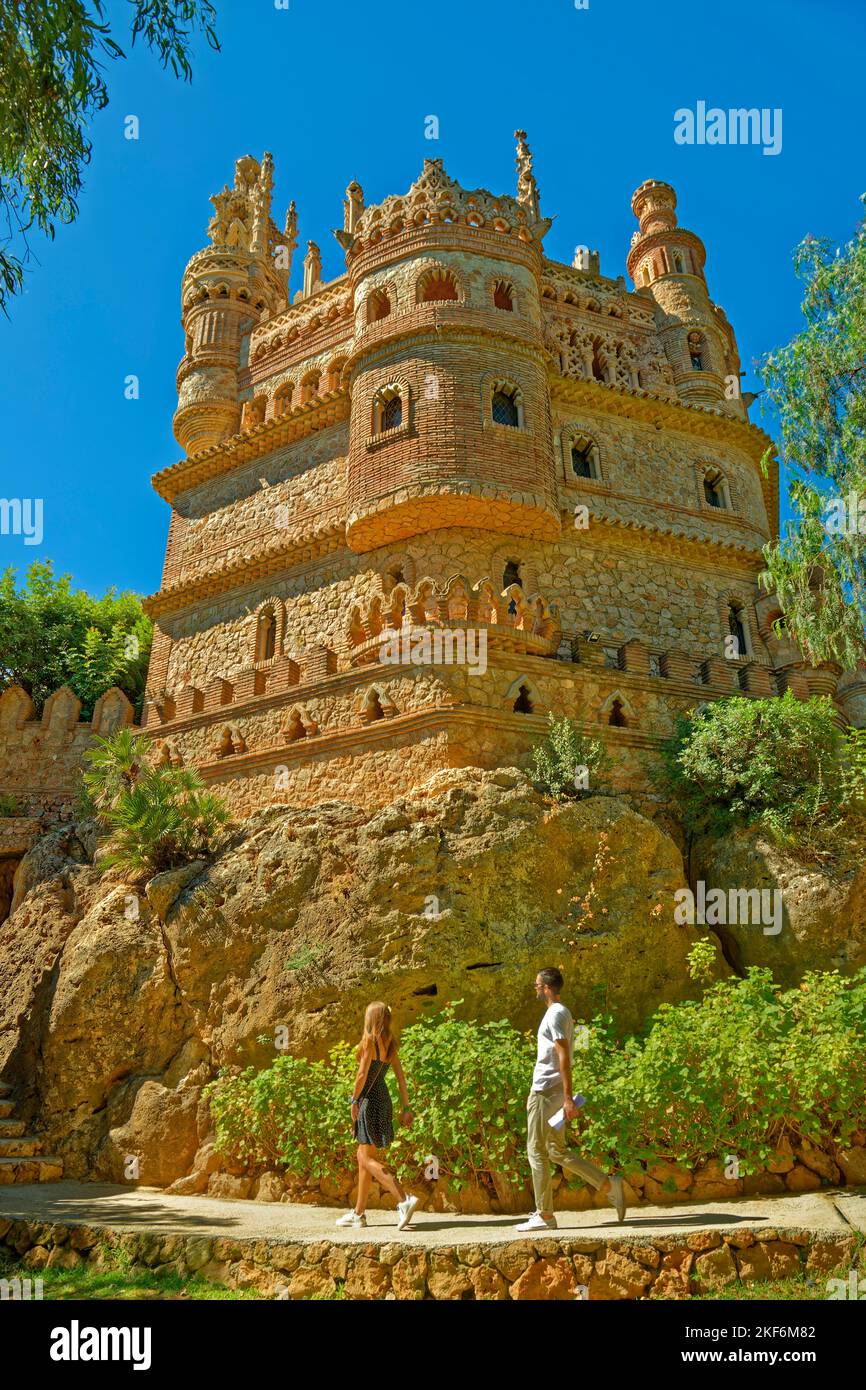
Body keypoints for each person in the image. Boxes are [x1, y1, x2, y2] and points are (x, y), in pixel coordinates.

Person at [516, 966, 626, 1232]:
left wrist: (567, 1098)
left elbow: (564, 1056)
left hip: (545, 1092)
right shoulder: (559, 1013)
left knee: (536, 1151)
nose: (535, 989)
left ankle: (544, 1215)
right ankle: (608, 1185)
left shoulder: (555, 1014)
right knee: (555, 1150)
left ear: (546, 987)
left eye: (536, 985)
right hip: (553, 1091)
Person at [336, 1001, 419, 1231]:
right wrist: (406, 1107)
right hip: (384, 1100)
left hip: (369, 1100)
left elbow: (362, 1073)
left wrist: (354, 1100)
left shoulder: (369, 1042)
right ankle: (358, 1214)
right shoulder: (390, 1044)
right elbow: (401, 1079)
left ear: (371, 1019)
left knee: (365, 1159)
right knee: (364, 1155)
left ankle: (403, 1199)